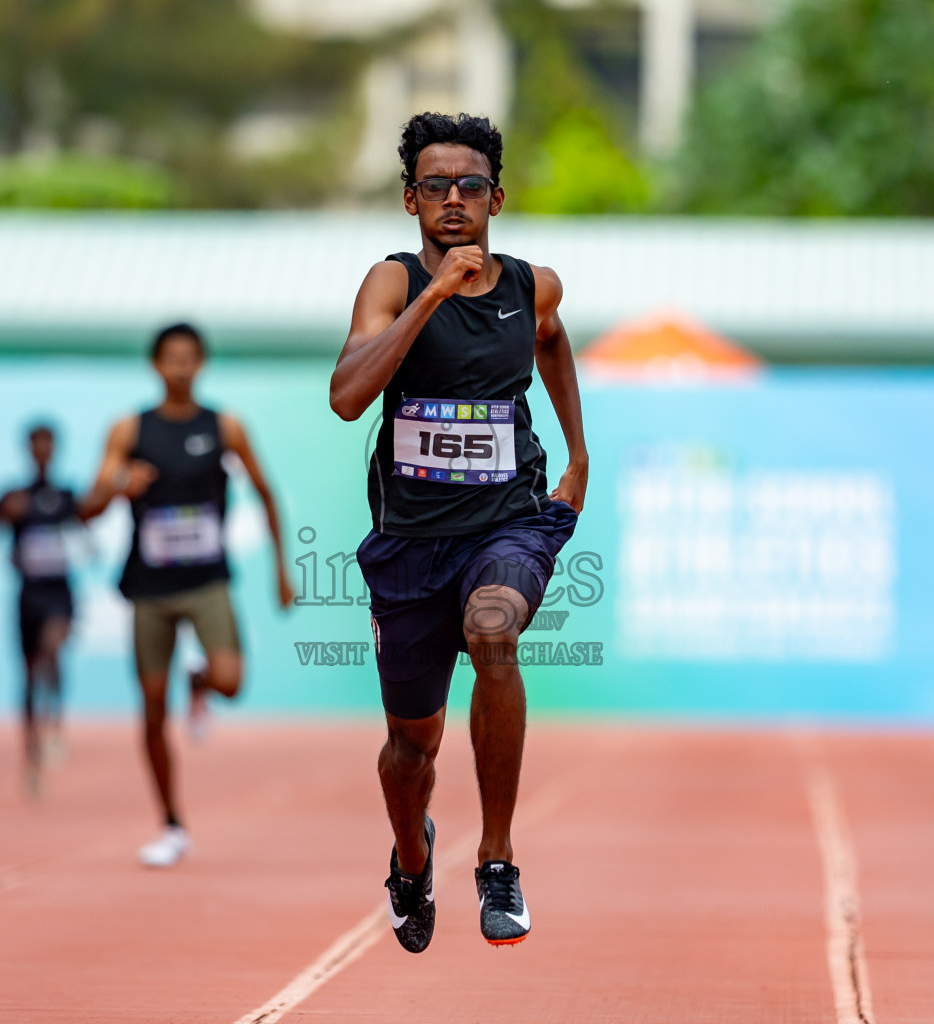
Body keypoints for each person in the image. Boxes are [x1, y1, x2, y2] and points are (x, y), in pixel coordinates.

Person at [329, 112, 588, 951]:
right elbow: (347, 394)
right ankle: (412, 856)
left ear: (496, 198)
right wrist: (435, 294)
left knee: (494, 631)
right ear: (411, 200)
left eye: (469, 186)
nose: (453, 200)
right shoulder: (393, 282)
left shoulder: (532, 285)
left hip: (506, 519)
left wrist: (578, 455)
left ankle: (499, 859)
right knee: (411, 749)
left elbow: (552, 342)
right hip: (409, 541)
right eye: (435, 186)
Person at [80, 322, 294, 868]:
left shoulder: (224, 427)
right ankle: (171, 822)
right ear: (155, 364)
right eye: (170, 358)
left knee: (231, 680)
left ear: (201, 364)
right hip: (150, 587)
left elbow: (267, 493)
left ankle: (197, 682)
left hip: (206, 580)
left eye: (189, 358)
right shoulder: (129, 431)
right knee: (152, 711)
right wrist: (117, 483)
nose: (180, 367)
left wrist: (281, 569)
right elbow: (88, 506)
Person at [0, 423, 79, 799]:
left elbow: (88, 527)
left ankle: (55, 723)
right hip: (27, 594)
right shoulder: (12, 496)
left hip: (59, 591)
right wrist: (2, 516)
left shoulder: (67, 496)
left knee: (53, 647)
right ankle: (31, 754)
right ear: (27, 449)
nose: (42, 451)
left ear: (55, 449)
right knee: (28, 673)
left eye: (48, 444)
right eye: (35, 444)